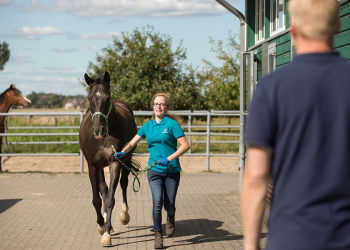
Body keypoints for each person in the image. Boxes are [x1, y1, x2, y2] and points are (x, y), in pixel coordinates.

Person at [241, 0, 350, 249]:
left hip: (292, 236)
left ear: (293, 27)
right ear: (337, 26)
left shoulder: (271, 88)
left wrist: (250, 244)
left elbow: (256, 177)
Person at [114, 93, 190, 249]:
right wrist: (123, 151)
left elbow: (185, 146)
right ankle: (158, 234)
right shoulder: (147, 126)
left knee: (169, 205)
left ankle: (170, 216)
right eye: (156, 104)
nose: (159, 107)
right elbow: (132, 142)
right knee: (157, 202)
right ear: (153, 106)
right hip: (154, 170)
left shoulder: (172, 124)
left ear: (167, 107)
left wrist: (169, 158)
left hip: (171, 170)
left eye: (162, 104)